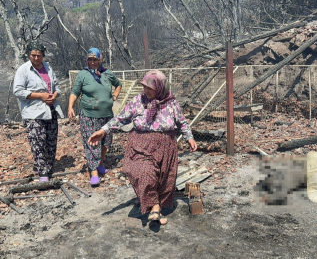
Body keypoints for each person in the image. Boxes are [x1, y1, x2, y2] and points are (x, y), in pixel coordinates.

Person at [88, 70, 197, 224]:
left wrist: (189, 138)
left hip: (166, 145)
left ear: (160, 88)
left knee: (164, 180)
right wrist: (103, 130)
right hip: (140, 144)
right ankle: (155, 206)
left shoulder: (171, 102)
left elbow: (182, 122)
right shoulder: (138, 101)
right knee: (143, 172)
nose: (145, 91)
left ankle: (156, 207)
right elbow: (120, 118)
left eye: (149, 88)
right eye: (144, 87)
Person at [68, 48, 122, 186]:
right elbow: (75, 92)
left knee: (106, 142)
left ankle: (100, 163)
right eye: (90, 59)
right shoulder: (83, 75)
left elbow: (118, 85)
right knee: (92, 142)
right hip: (89, 115)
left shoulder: (107, 74)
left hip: (107, 115)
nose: (93, 62)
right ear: (87, 60)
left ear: (100, 59)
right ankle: (93, 172)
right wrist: (70, 107)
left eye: (95, 59)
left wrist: (115, 95)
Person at [13, 40, 65, 182]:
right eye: (33, 55)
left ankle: (48, 166)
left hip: (51, 109)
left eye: (39, 55)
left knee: (51, 140)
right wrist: (40, 95)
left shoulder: (48, 67)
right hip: (33, 112)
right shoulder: (23, 70)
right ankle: (43, 172)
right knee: (38, 141)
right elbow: (17, 91)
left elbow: (57, 87)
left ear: (43, 55)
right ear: (29, 55)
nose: (36, 58)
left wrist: (54, 95)